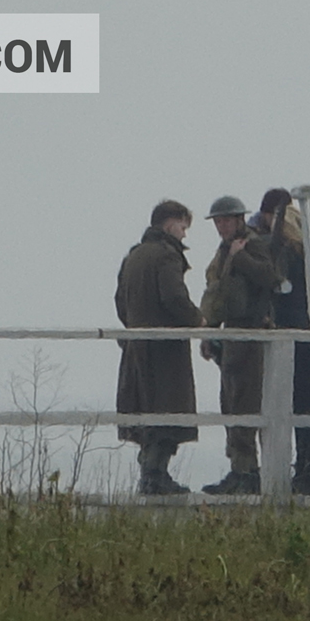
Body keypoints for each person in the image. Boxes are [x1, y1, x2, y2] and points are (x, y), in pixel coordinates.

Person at [115, 199, 203, 496]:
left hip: (136, 347)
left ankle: (149, 475)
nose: (184, 234)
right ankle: (156, 474)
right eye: (182, 226)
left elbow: (120, 302)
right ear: (169, 223)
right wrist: (198, 320)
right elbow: (174, 298)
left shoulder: (134, 256)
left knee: (147, 413)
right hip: (165, 351)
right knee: (169, 412)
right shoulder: (167, 256)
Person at [198, 195, 282, 495]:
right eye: (218, 222)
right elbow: (217, 292)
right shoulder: (225, 250)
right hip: (232, 332)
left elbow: (270, 277)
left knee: (245, 401)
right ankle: (239, 468)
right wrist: (209, 332)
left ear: (238, 219)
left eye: (225, 220)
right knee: (231, 402)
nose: (221, 226)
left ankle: (247, 472)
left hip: (250, 331)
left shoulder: (254, 244)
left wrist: (240, 257)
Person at [253, 188, 310, 496]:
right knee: (301, 404)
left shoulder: (277, 248)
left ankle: (299, 468)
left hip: (291, 333)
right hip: (307, 334)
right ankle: (304, 467)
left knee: (291, 403)